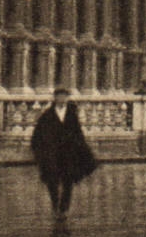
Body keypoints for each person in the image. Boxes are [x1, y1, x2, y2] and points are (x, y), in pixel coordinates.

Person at [30, 88, 98, 218]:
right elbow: (38, 134)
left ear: (67, 98)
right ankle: (55, 203)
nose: (62, 99)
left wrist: (82, 150)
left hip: (68, 154)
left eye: (64, 97)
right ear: (55, 98)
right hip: (52, 154)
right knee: (52, 180)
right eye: (59, 96)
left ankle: (64, 208)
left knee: (68, 181)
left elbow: (78, 134)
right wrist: (39, 151)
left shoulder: (72, 115)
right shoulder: (47, 115)